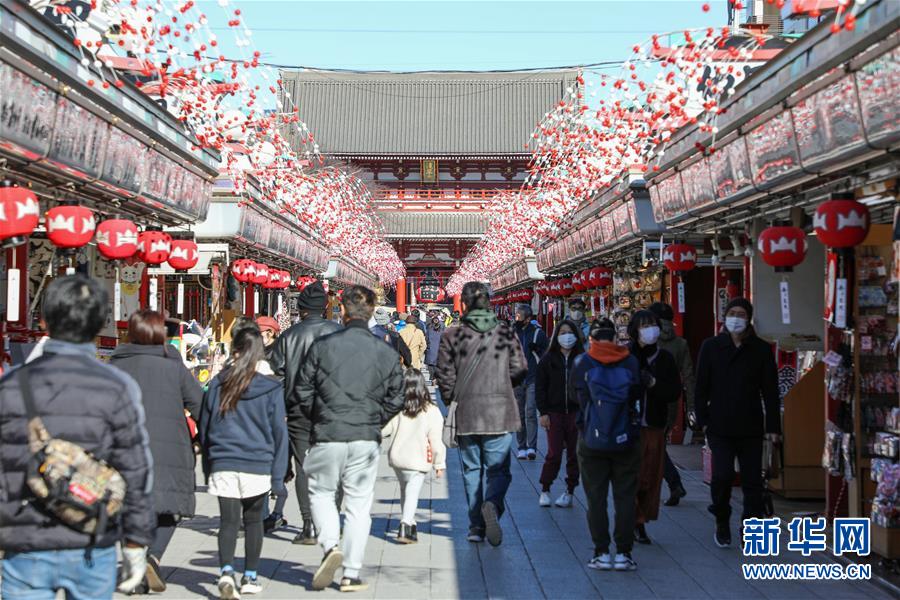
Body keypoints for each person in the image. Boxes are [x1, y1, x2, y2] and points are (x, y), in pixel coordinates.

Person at [0, 275, 155, 599]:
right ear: (101, 322)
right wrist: (135, 542)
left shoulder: (12, 384)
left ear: (43, 321)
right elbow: (136, 468)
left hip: (24, 541)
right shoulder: (118, 386)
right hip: (91, 537)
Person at [297, 286, 405, 592]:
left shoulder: (321, 346)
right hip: (365, 435)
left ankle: (331, 546)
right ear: (372, 313)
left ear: (341, 310)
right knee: (358, 504)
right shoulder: (385, 351)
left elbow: (302, 391)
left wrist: (318, 415)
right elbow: (397, 396)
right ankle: (351, 573)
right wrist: (377, 417)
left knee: (321, 492)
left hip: (327, 432)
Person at [110, 309, 204, 593]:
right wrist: (204, 439)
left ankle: (135, 570)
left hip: (126, 448)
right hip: (171, 449)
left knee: (127, 509)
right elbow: (201, 404)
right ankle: (153, 556)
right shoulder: (173, 365)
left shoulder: (116, 365)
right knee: (168, 510)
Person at [199, 324, 288, 599]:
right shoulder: (271, 387)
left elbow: (205, 426)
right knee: (253, 522)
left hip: (224, 459)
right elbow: (279, 433)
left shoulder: (218, 383)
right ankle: (250, 576)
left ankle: (226, 572)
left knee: (228, 521)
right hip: (257, 461)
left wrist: (207, 465)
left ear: (234, 351)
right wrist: (278, 474)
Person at [435, 282, 527, 546]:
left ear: (462, 304)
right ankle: (493, 504)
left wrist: (452, 399)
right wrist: (502, 386)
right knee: (499, 471)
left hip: (467, 412)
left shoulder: (452, 335)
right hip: (500, 412)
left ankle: (476, 526)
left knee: (471, 471)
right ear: (489, 302)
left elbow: (444, 374)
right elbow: (521, 368)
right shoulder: (505, 333)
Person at [695, 297, 780, 548]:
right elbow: (701, 387)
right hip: (719, 424)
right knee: (722, 475)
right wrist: (703, 421)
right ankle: (722, 518)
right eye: (732, 313)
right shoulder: (711, 347)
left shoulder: (761, 350)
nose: (736, 318)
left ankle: (750, 525)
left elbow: (771, 392)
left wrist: (773, 428)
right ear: (724, 316)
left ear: (749, 318)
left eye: (741, 314)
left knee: (752, 480)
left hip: (751, 424)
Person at [268, 281, 341, 546]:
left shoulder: (289, 336)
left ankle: (308, 524)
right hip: (331, 408)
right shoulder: (337, 333)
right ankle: (330, 519)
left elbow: (274, 371)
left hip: (298, 408)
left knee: (304, 467)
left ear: (300, 309)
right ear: (325, 307)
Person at [571, 318, 643, 572]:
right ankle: (623, 552)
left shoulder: (582, 363)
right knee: (625, 497)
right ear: (615, 339)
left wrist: (584, 426)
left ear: (591, 340)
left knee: (596, 498)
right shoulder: (631, 362)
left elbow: (575, 399)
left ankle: (601, 552)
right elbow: (638, 394)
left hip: (592, 440)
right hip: (626, 439)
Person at [627, 310, 680, 545]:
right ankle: (634, 521)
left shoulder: (665, 358)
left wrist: (654, 383)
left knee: (651, 475)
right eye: (644, 325)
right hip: (630, 427)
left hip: (655, 425)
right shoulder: (626, 356)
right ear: (634, 330)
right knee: (632, 476)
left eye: (653, 324)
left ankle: (642, 517)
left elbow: (673, 392)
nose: (650, 329)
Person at [381, 369, 446, 544]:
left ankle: (411, 524)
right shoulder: (431, 410)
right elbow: (436, 441)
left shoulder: (398, 408)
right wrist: (439, 463)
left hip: (398, 459)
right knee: (412, 491)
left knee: (405, 490)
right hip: (418, 459)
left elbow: (384, 430)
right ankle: (405, 524)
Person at [535, 319, 585, 508]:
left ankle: (569, 491)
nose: (566, 336)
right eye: (562, 333)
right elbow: (540, 387)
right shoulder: (548, 359)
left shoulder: (582, 358)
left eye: (569, 332)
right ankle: (545, 488)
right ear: (556, 336)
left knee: (574, 454)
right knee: (554, 453)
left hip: (576, 413)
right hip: (554, 413)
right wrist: (543, 412)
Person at [648, 302, 694, 506]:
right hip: (671, 401)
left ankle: (674, 483)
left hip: (649, 400)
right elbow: (689, 376)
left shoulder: (649, 340)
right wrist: (692, 407)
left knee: (653, 445)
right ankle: (673, 484)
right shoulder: (680, 344)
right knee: (657, 443)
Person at [512, 303, 548, 460]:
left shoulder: (538, 334)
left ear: (528, 319)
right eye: (516, 315)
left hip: (533, 377)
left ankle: (532, 446)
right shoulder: (512, 333)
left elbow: (546, 355)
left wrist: (538, 350)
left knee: (530, 411)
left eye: (519, 316)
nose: (516, 318)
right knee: (519, 413)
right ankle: (521, 446)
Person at [424, 313, 444, 381]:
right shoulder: (442, 331)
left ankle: (432, 377)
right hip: (439, 350)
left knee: (430, 365)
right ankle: (435, 377)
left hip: (430, 349)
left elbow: (426, 340)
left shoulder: (429, 330)